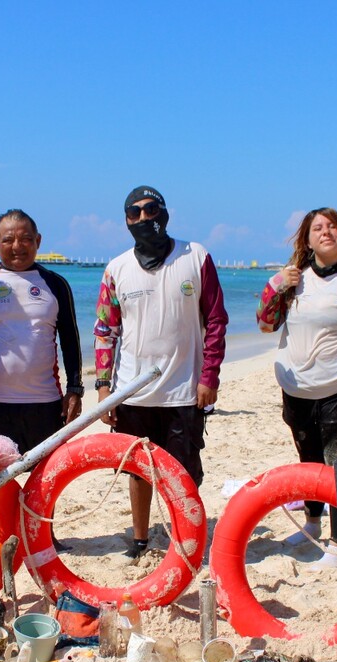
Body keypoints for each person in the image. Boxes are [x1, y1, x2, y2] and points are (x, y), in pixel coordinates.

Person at [94, 186, 228, 559]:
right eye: (133, 213)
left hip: (184, 391)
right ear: (126, 221)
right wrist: (105, 389)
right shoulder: (116, 268)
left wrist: (209, 377)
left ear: (164, 214)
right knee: (138, 470)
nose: (142, 218)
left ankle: (182, 537)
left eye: (150, 210)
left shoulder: (195, 256)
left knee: (185, 472)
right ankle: (139, 539)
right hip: (132, 392)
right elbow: (106, 331)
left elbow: (215, 321)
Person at [257, 207, 337, 562]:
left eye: (332, 227)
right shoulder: (294, 279)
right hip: (298, 390)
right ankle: (312, 523)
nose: (325, 232)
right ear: (307, 239)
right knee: (308, 461)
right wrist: (276, 286)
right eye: (317, 228)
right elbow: (265, 324)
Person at [0, 209, 84, 557]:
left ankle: (45, 535)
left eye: (26, 238)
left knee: (46, 473)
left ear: (38, 242)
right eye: (9, 239)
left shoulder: (55, 284)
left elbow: (71, 339)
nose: (18, 245)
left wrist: (75, 388)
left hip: (44, 399)